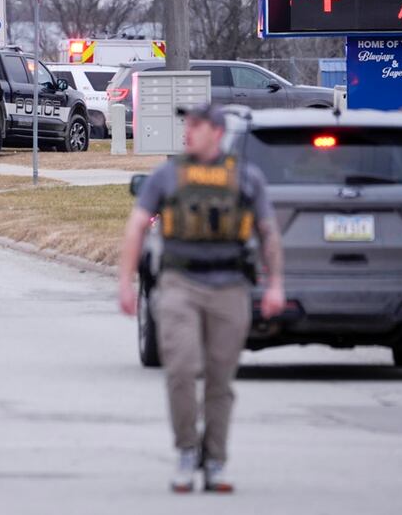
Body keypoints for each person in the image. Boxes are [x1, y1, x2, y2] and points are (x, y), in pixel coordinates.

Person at [117, 102, 286, 494]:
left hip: (230, 288)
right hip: (179, 284)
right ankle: (186, 451)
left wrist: (275, 284)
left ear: (216, 132)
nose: (187, 132)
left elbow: (268, 232)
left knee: (219, 379)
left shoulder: (246, 177)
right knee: (180, 370)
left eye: (195, 125)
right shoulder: (167, 175)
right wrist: (125, 282)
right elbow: (138, 225)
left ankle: (215, 460)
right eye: (186, 125)